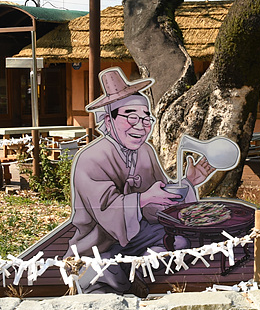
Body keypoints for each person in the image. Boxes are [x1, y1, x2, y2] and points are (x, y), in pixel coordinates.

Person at [67, 66, 213, 295]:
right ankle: (119, 276)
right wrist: (143, 199)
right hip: (100, 241)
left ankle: (137, 273)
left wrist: (188, 183)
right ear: (109, 120)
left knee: (180, 243)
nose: (141, 125)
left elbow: (161, 196)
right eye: (132, 117)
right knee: (100, 274)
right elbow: (105, 209)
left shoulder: (145, 151)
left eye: (146, 118)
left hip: (140, 234)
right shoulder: (91, 158)